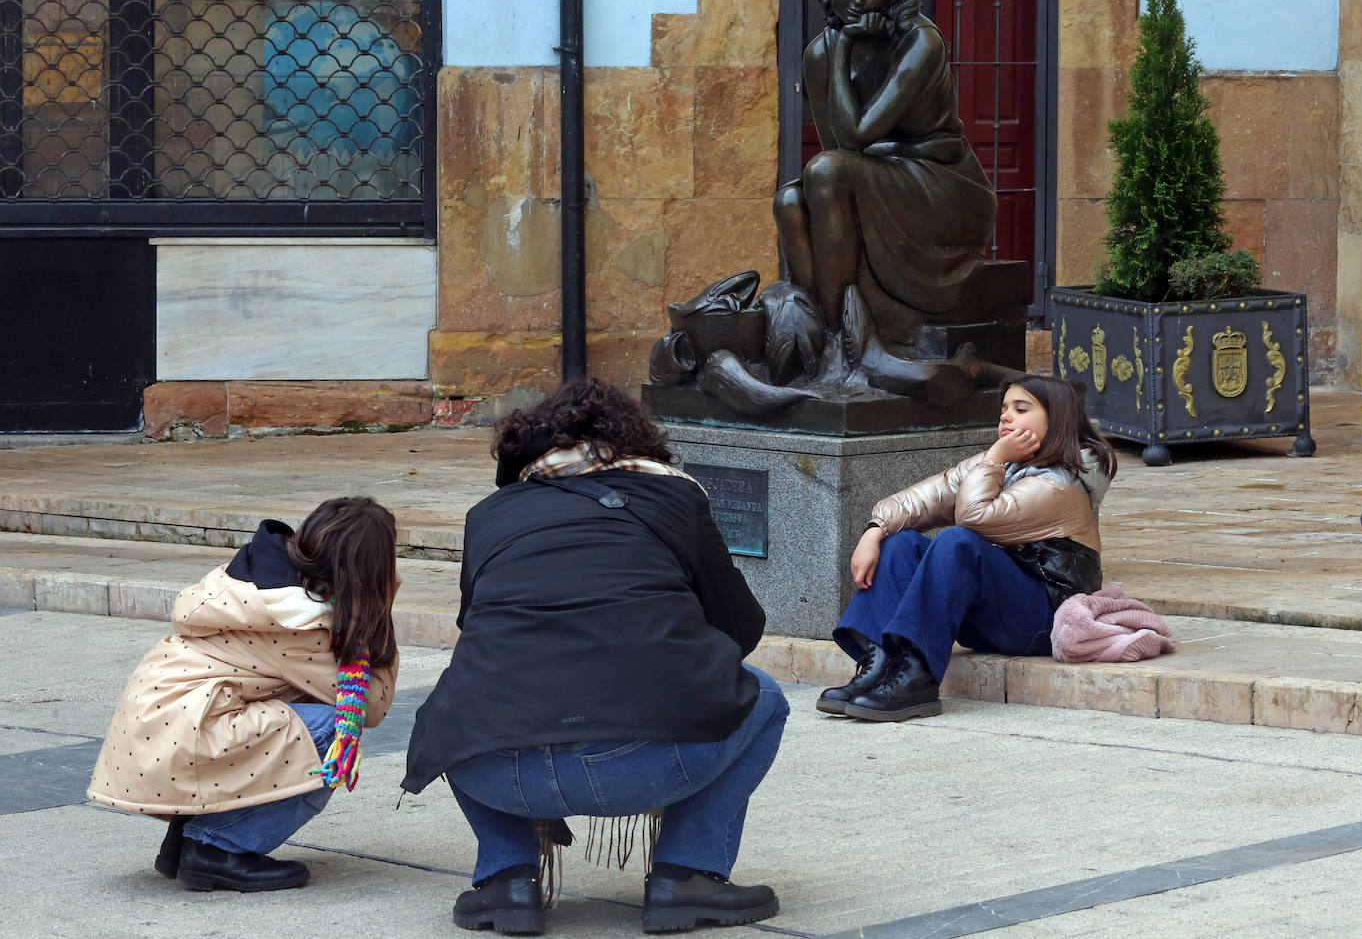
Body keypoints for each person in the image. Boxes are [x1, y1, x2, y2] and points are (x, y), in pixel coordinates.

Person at [402, 378, 789, 936]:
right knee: (765, 695)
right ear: (637, 443)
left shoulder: (489, 514)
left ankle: (507, 882)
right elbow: (740, 629)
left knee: (455, 700)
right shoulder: (674, 497)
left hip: (498, 773)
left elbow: (477, 634)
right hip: (647, 765)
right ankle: (686, 877)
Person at [88, 496, 400, 891]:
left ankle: (187, 837)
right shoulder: (298, 621)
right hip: (182, 736)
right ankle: (215, 848)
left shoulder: (255, 580)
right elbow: (371, 704)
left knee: (295, 700)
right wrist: (380, 608)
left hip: (157, 732)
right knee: (332, 732)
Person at [818, 375, 1116, 721]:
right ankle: (880, 664)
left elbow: (974, 517)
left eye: (1021, 409)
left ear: (1058, 420)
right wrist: (874, 530)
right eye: (1004, 408)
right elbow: (928, 497)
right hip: (996, 616)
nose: (1005, 416)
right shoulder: (1005, 463)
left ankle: (916, 680)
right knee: (900, 543)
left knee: (958, 541)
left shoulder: (1063, 484)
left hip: (1042, 623)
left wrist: (994, 458)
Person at [772, 0, 997, 336]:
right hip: (881, 174)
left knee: (825, 170)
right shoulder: (818, 53)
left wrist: (843, 47)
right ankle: (823, 332)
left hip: (941, 183)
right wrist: (837, 52)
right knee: (790, 200)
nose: (858, 1)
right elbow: (838, 148)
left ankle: (846, 338)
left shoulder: (919, 42)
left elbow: (854, 140)